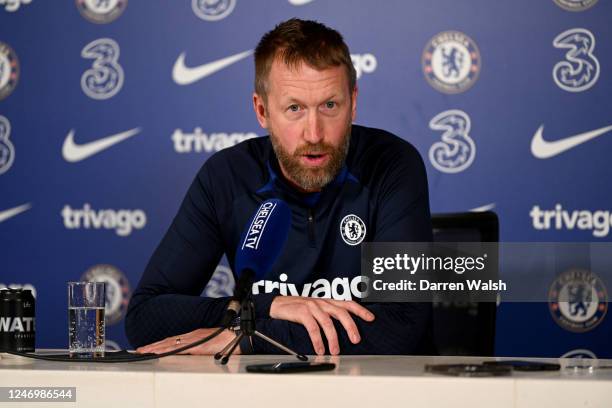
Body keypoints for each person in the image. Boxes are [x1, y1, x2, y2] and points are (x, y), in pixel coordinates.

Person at [126, 18, 433, 356]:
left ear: (353, 102)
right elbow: (144, 318)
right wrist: (261, 306)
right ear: (262, 110)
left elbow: (403, 324)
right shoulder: (227, 176)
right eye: (294, 109)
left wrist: (247, 336)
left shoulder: (392, 163)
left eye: (330, 105)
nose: (314, 134)